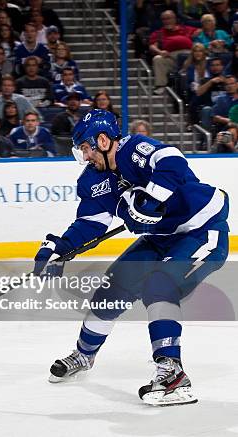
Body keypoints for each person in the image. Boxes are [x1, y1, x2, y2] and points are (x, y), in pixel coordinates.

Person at [38, 109, 229, 406]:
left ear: (103, 140)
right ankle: (84, 356)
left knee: (159, 287)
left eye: (86, 149)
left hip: (201, 230)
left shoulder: (135, 148)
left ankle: (173, 375)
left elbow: (172, 160)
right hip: (159, 238)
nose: (85, 157)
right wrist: (59, 249)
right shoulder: (93, 180)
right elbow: (91, 223)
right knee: (109, 293)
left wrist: (154, 196)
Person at [149, 10, 198, 94]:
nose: (166, 21)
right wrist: (160, 52)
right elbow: (152, 46)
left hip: (190, 56)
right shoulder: (159, 33)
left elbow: (200, 30)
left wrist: (195, 36)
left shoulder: (185, 29)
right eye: (164, 19)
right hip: (172, 57)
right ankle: (160, 86)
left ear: (175, 19)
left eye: (169, 18)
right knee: (158, 59)